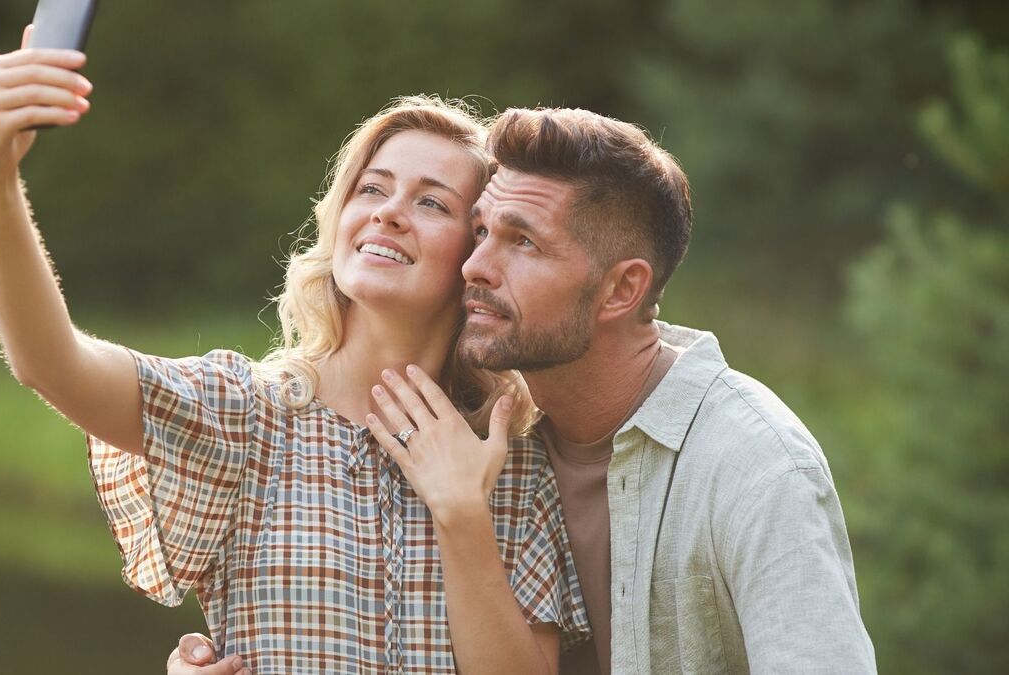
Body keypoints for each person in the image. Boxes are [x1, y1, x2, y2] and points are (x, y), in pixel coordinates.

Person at [0, 26, 589, 675]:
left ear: (475, 251)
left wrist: (463, 512)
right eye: (372, 189)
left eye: (431, 201)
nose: (388, 212)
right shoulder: (248, 415)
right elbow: (51, 361)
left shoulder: (507, 459)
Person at [173, 107, 878, 674]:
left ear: (622, 288)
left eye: (522, 242)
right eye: (479, 231)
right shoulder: (485, 442)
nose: (474, 265)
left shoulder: (753, 464)